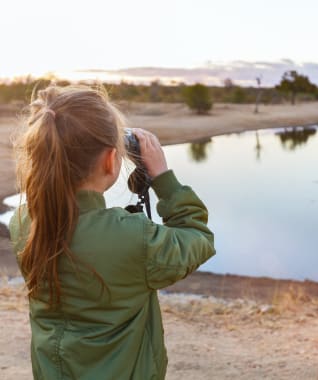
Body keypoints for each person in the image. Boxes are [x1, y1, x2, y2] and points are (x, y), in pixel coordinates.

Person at [9, 85, 215, 379]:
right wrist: (162, 179)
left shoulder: (24, 222)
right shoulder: (133, 238)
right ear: (109, 160)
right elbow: (198, 237)